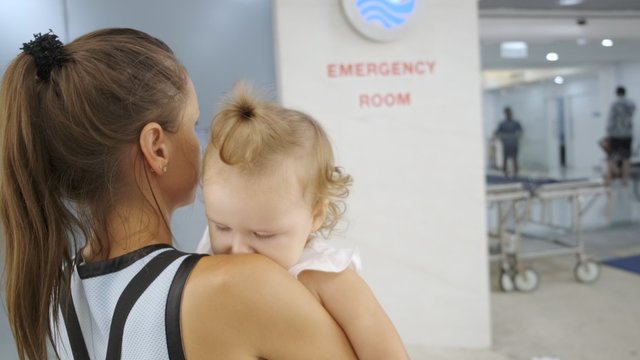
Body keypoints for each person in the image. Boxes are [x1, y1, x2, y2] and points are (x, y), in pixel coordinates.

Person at [0, 29, 357, 359]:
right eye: (193, 123)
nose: (203, 145)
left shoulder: (54, 301)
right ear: (157, 147)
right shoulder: (240, 285)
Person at [195, 84, 409, 359]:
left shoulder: (322, 274)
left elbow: (384, 351)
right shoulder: (211, 256)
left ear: (316, 215)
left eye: (263, 235)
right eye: (221, 227)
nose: (237, 249)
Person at [605, 86, 636, 185]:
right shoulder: (631, 104)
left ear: (616, 93)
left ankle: (611, 177)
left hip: (615, 134)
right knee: (626, 158)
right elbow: (631, 115)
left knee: (611, 156)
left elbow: (611, 120)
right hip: (627, 134)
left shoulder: (614, 104)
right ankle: (625, 179)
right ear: (625, 93)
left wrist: (609, 131)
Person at [494, 106, 523, 177]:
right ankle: (512, 173)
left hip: (509, 143)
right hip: (512, 143)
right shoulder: (513, 123)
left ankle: (508, 173)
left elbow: (497, 133)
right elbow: (520, 132)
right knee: (512, 159)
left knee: (508, 159)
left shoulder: (504, 123)